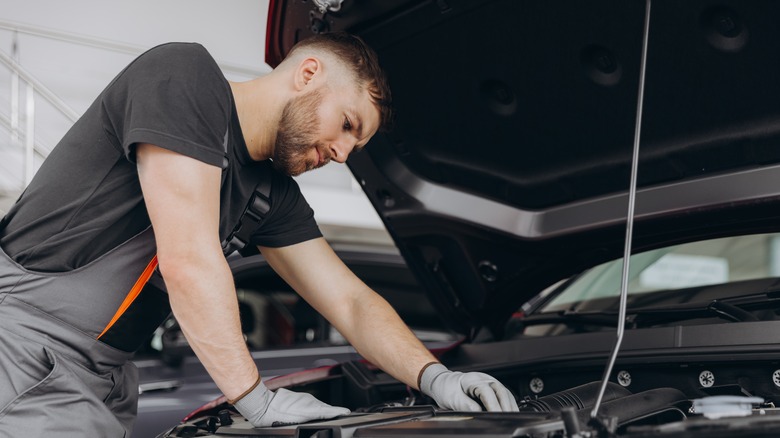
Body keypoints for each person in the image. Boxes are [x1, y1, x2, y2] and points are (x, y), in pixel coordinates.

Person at [0, 32, 518, 435]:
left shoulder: (268, 196)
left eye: (355, 147)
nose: (342, 154)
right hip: (25, 347)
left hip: (105, 376)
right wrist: (256, 399)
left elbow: (351, 301)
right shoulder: (184, 78)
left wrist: (435, 377)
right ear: (308, 74)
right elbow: (188, 260)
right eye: (347, 124)